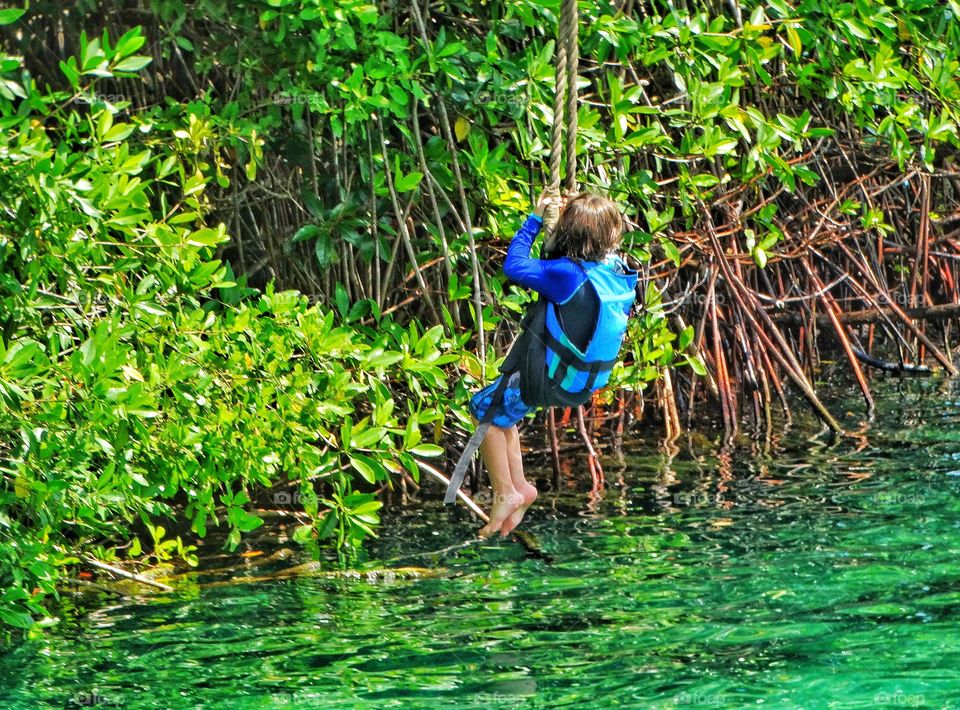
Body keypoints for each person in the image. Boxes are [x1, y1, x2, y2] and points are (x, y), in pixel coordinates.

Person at [467, 190, 638, 538]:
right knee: (503, 412)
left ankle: (506, 492)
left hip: (551, 378)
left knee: (482, 407)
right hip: (582, 383)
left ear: (567, 235)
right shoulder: (617, 268)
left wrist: (534, 219)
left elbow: (513, 265)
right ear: (612, 236)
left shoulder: (565, 274)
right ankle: (521, 489)